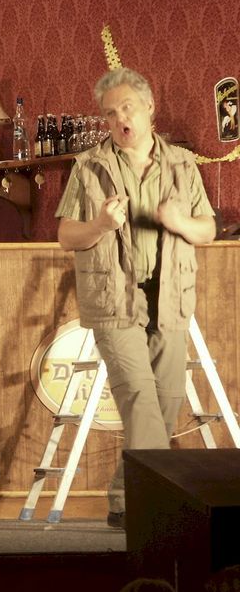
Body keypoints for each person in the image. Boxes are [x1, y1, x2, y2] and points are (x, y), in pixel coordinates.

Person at [55, 67, 215, 529]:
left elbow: (207, 229)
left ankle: (125, 497)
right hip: (113, 300)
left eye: (127, 108)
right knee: (141, 398)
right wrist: (100, 225)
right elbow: (67, 235)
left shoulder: (182, 164)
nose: (119, 119)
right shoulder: (89, 166)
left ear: (149, 107)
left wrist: (180, 223)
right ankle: (155, 508)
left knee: (165, 400)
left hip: (170, 297)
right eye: (110, 114)